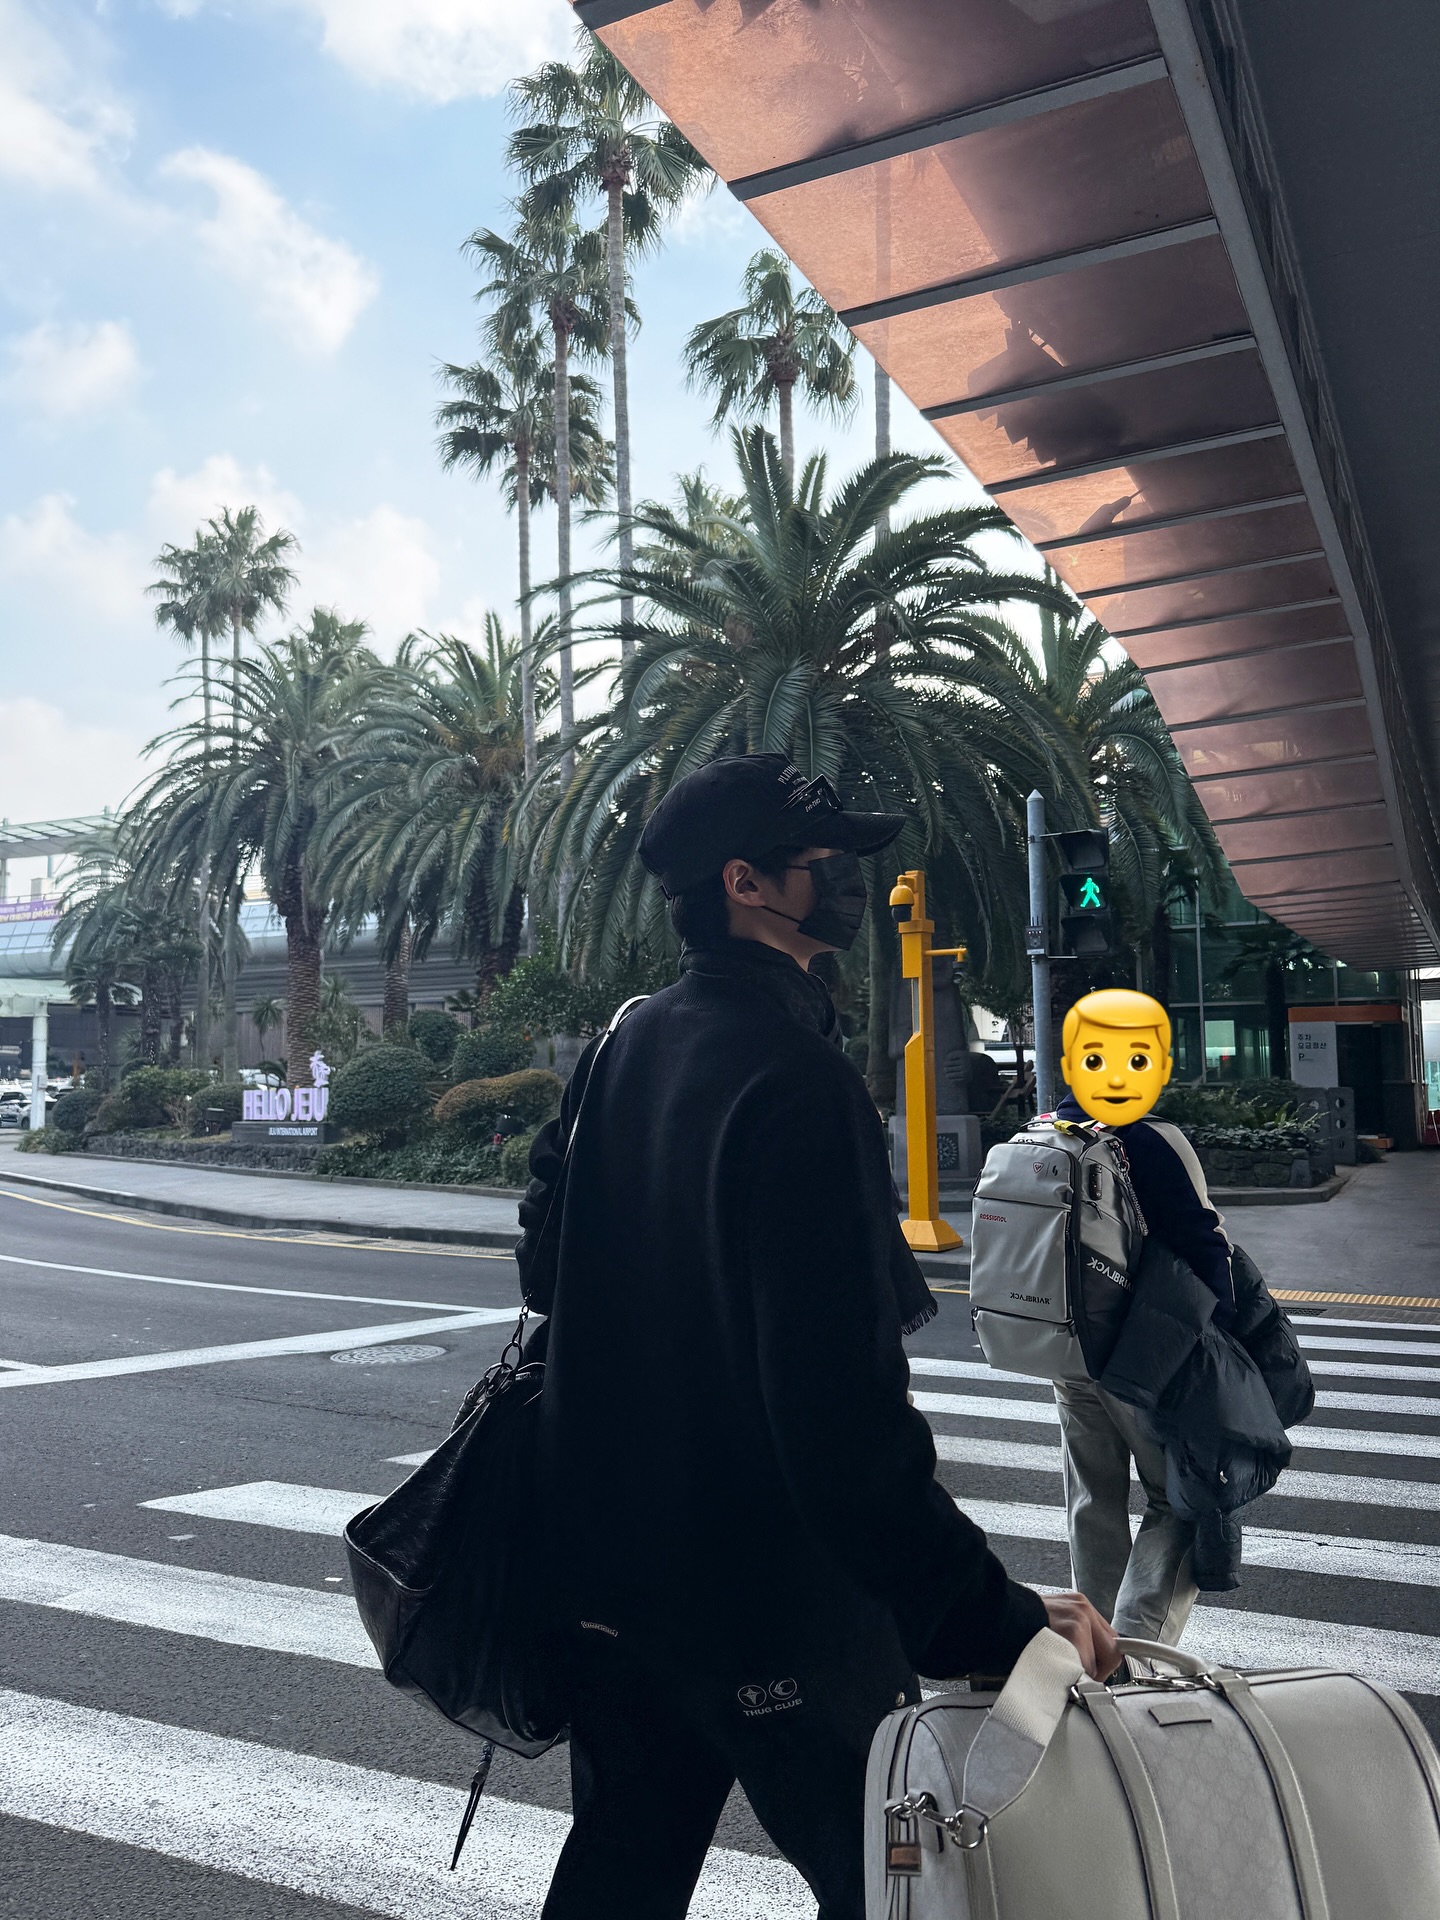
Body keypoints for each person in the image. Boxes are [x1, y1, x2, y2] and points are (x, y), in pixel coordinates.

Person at [517, 754, 1116, 1920]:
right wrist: (984, 1618)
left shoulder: (624, 1047)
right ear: (744, 883)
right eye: (823, 859)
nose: (851, 878)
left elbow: (549, 1271)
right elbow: (841, 1428)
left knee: (619, 1878)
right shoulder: (794, 1080)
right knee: (900, 1894)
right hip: (772, 1608)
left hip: (614, 1587)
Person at [1051, 987, 1236, 1643]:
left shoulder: (1051, 1131)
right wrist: (1223, 1342)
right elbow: (1203, 1245)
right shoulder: (1151, 1140)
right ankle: (1137, 1650)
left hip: (1067, 1348)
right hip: (1145, 1352)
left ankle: (1093, 1642)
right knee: (1179, 1496)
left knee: (1092, 1497)